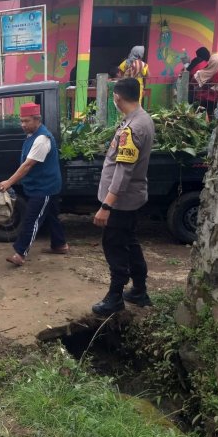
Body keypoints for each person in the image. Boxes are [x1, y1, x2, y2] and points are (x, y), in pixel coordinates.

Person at [91, 78, 155, 315]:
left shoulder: (133, 127)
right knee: (130, 241)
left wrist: (107, 204)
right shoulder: (142, 119)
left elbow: (123, 169)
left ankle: (115, 296)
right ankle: (139, 289)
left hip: (120, 202)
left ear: (117, 97)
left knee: (115, 245)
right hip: (131, 198)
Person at [0, 103, 68, 266]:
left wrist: (9, 182)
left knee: (31, 219)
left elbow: (28, 165)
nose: (23, 125)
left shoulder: (42, 139)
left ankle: (20, 253)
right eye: (21, 121)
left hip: (44, 187)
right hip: (46, 184)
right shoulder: (32, 135)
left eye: (26, 121)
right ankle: (60, 245)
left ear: (37, 120)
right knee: (51, 216)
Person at [194, 53, 218, 119]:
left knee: (203, 113)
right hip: (210, 98)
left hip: (209, 98)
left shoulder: (202, 71)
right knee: (207, 113)